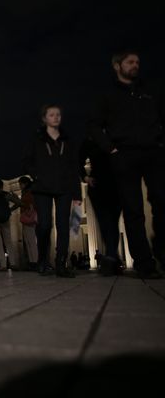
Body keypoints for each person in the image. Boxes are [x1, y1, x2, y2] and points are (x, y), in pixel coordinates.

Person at [87, 50, 164, 279]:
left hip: (154, 153)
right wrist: (111, 149)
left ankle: (161, 247)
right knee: (133, 210)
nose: (135, 65)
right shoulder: (107, 95)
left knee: (161, 200)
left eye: (138, 62)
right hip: (124, 155)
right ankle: (143, 262)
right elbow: (93, 125)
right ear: (117, 66)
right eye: (130, 62)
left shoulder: (150, 91)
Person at [23, 104, 82, 278]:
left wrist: (77, 195)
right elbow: (26, 160)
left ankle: (61, 263)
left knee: (63, 226)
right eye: (51, 115)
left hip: (64, 188)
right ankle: (42, 260)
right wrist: (36, 175)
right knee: (44, 225)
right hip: (42, 188)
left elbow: (74, 167)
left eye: (58, 115)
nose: (56, 117)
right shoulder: (36, 139)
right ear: (44, 118)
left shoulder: (67, 140)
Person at [80, 136, 123, 276]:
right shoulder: (91, 140)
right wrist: (85, 177)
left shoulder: (118, 134)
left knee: (112, 222)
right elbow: (78, 160)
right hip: (97, 184)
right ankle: (112, 257)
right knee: (105, 223)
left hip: (117, 184)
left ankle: (111, 257)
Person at [17, 176, 39, 271]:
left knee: (31, 241)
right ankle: (32, 261)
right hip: (26, 218)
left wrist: (16, 200)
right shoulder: (26, 192)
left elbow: (27, 204)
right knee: (28, 241)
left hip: (29, 218)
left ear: (25, 183)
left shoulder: (29, 192)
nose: (20, 186)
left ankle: (35, 261)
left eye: (20, 184)